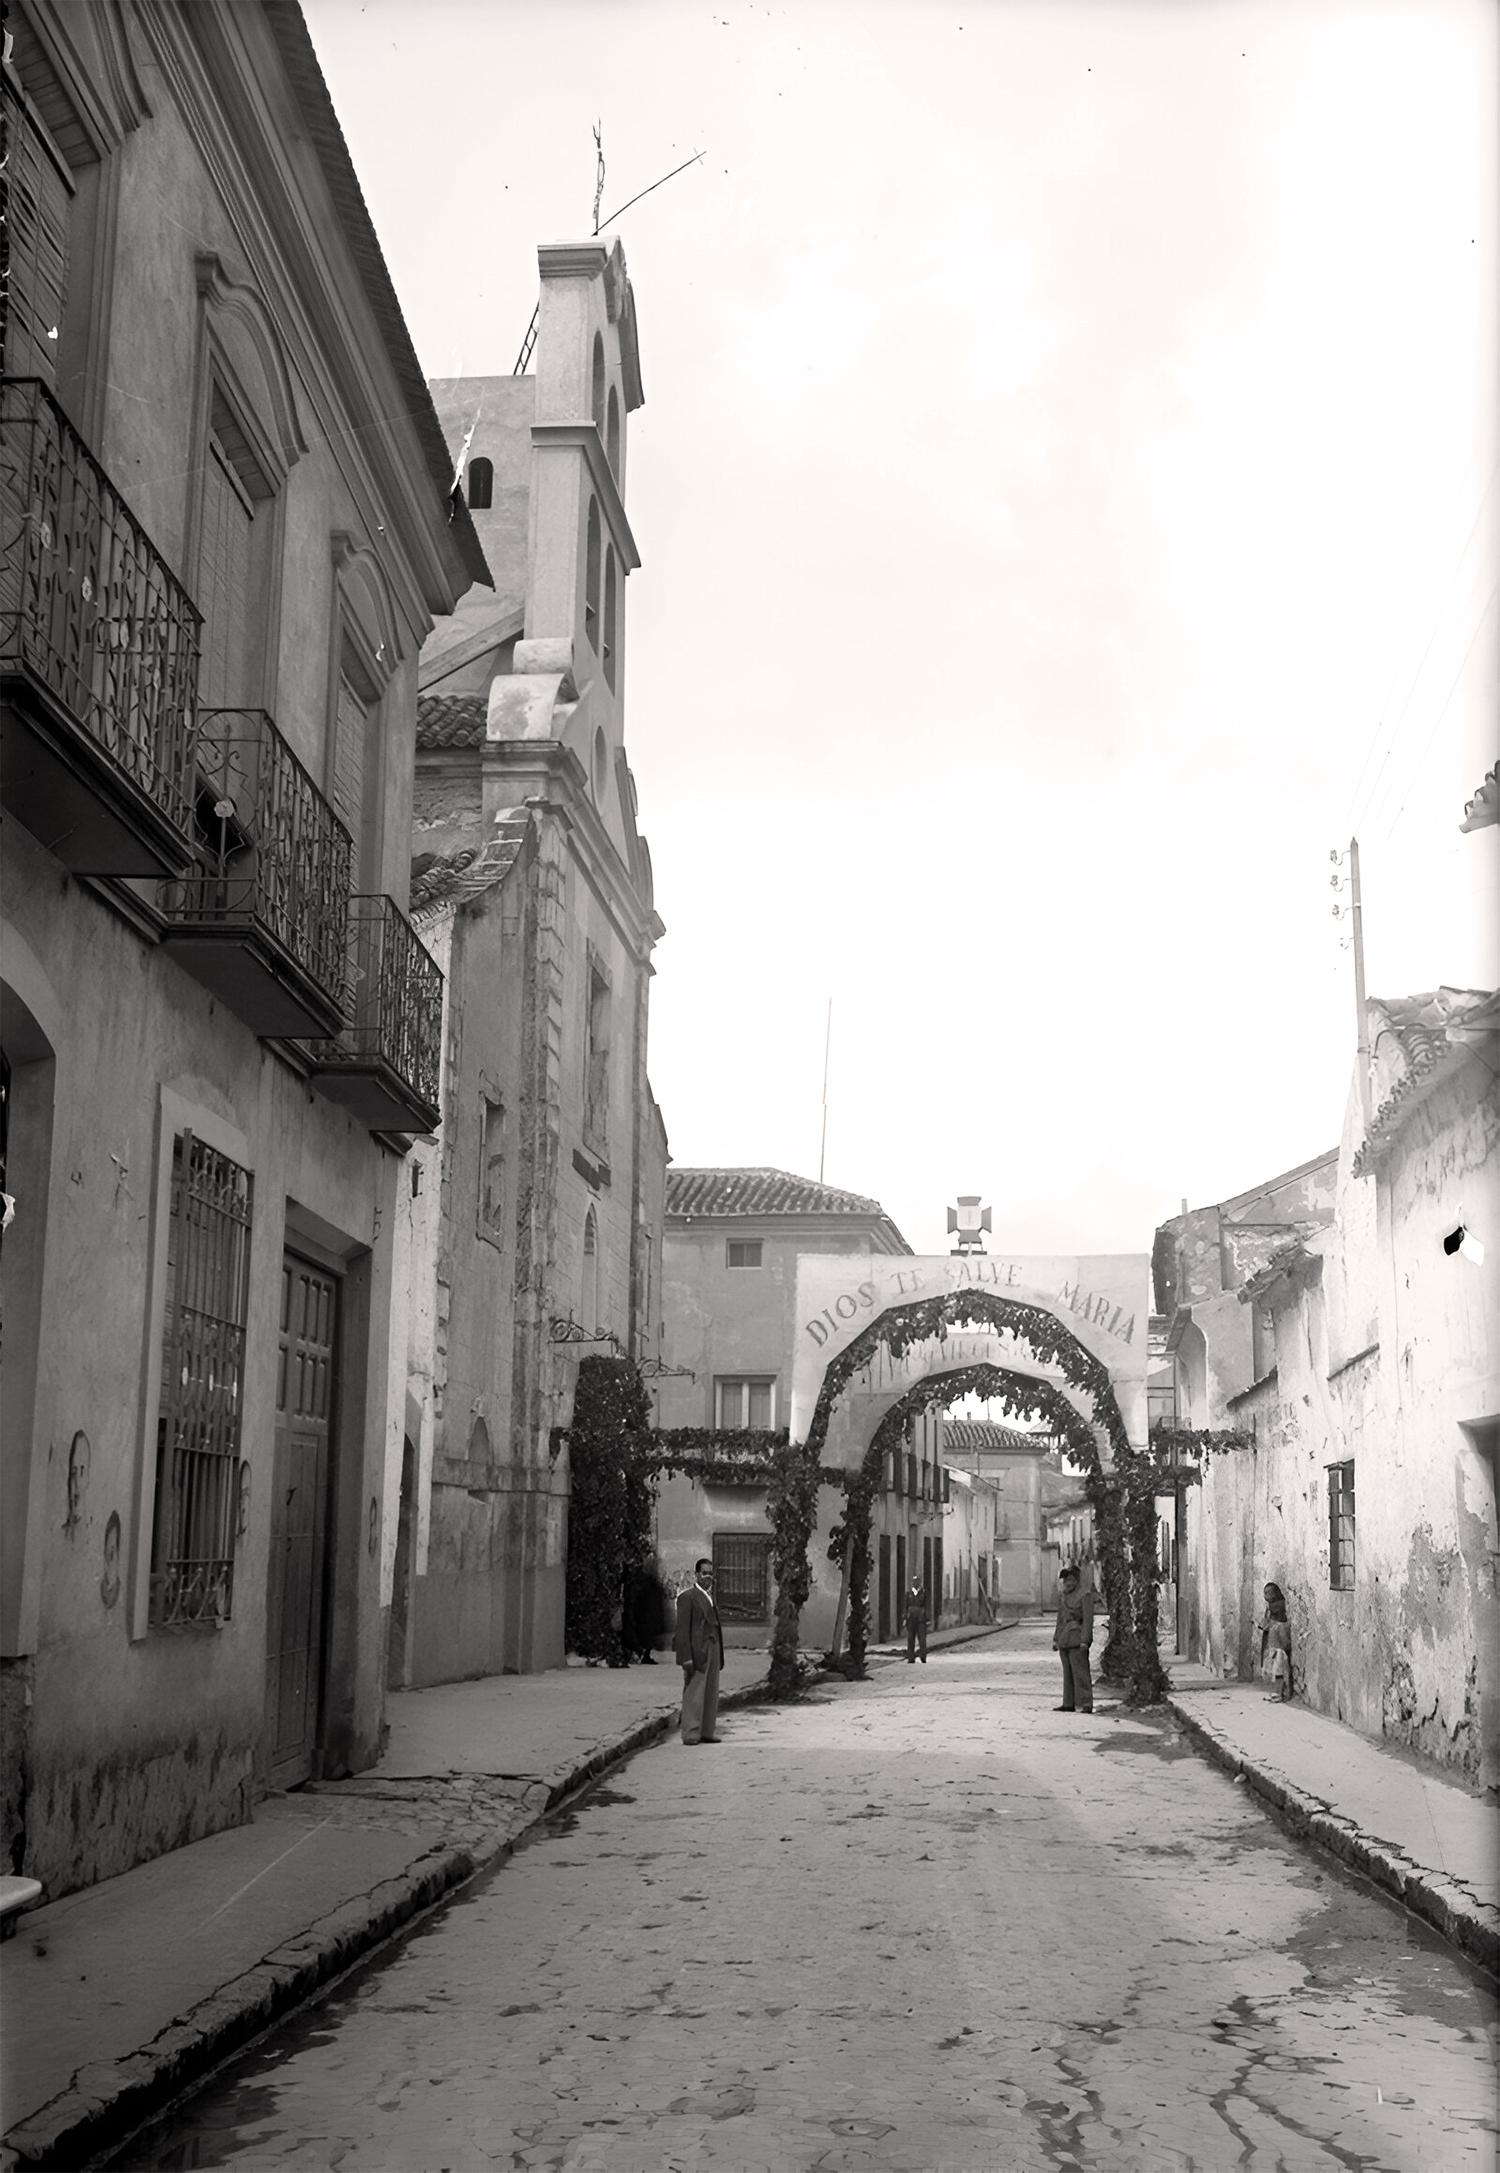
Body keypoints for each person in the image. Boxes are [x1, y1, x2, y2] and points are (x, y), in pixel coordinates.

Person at [673, 1557, 724, 1745]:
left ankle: (707, 1731)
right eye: (704, 1573)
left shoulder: (710, 1598)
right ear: (696, 1574)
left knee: (711, 1691)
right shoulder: (687, 1597)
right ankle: (691, 1733)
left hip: (713, 1647)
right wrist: (685, 1657)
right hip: (697, 1650)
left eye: (711, 1573)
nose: (708, 1577)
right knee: (694, 1692)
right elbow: (682, 1629)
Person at [1052, 1562, 1094, 1713]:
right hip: (1064, 1639)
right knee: (1067, 1673)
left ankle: (1086, 1703)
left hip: (1077, 1638)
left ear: (1077, 1580)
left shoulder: (1085, 1595)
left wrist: (1085, 1640)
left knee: (1080, 1672)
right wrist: (1056, 1639)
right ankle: (1068, 1703)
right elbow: (1060, 1618)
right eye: (1065, 1580)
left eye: (1070, 1579)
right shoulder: (1063, 1596)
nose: (1067, 1583)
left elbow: (1088, 1619)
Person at [622, 1558, 669, 1664]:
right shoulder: (648, 1581)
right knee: (645, 1635)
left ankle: (640, 1653)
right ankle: (641, 1653)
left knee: (644, 1634)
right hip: (646, 1614)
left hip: (645, 1614)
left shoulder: (643, 1581)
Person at [1260, 1582, 1293, 1702]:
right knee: (1274, 1670)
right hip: (1273, 1643)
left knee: (1279, 1670)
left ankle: (1280, 1693)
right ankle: (1276, 1692)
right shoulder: (1270, 1607)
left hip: (1278, 1645)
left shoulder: (1276, 1607)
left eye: (1269, 1592)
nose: (1266, 1595)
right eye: (1265, 1593)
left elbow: (1274, 1623)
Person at [904, 1574, 928, 1664]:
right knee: (910, 1638)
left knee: (922, 1639)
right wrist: (905, 1617)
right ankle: (910, 1657)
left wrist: (927, 1617)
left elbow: (926, 1605)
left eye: (917, 1581)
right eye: (914, 1581)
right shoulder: (908, 1593)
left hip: (921, 1619)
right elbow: (905, 1606)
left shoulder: (923, 1593)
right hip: (911, 1619)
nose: (916, 1583)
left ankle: (923, 1656)